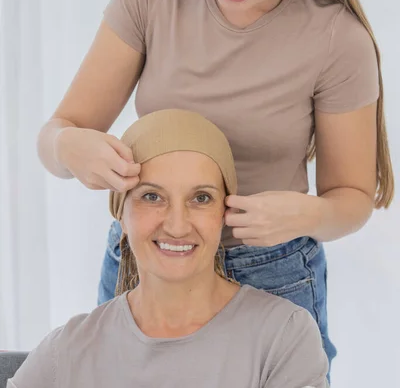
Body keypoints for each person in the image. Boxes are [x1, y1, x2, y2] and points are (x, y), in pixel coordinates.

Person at [37, 0, 394, 381]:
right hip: (145, 262)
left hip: (270, 269)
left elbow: (352, 198)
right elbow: (57, 134)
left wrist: (309, 215)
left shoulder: (337, 42)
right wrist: (68, 146)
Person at [12, 110, 329, 388]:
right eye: (152, 197)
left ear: (223, 213)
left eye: (201, 198)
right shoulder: (67, 351)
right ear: (121, 215)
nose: (177, 226)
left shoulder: (283, 338)